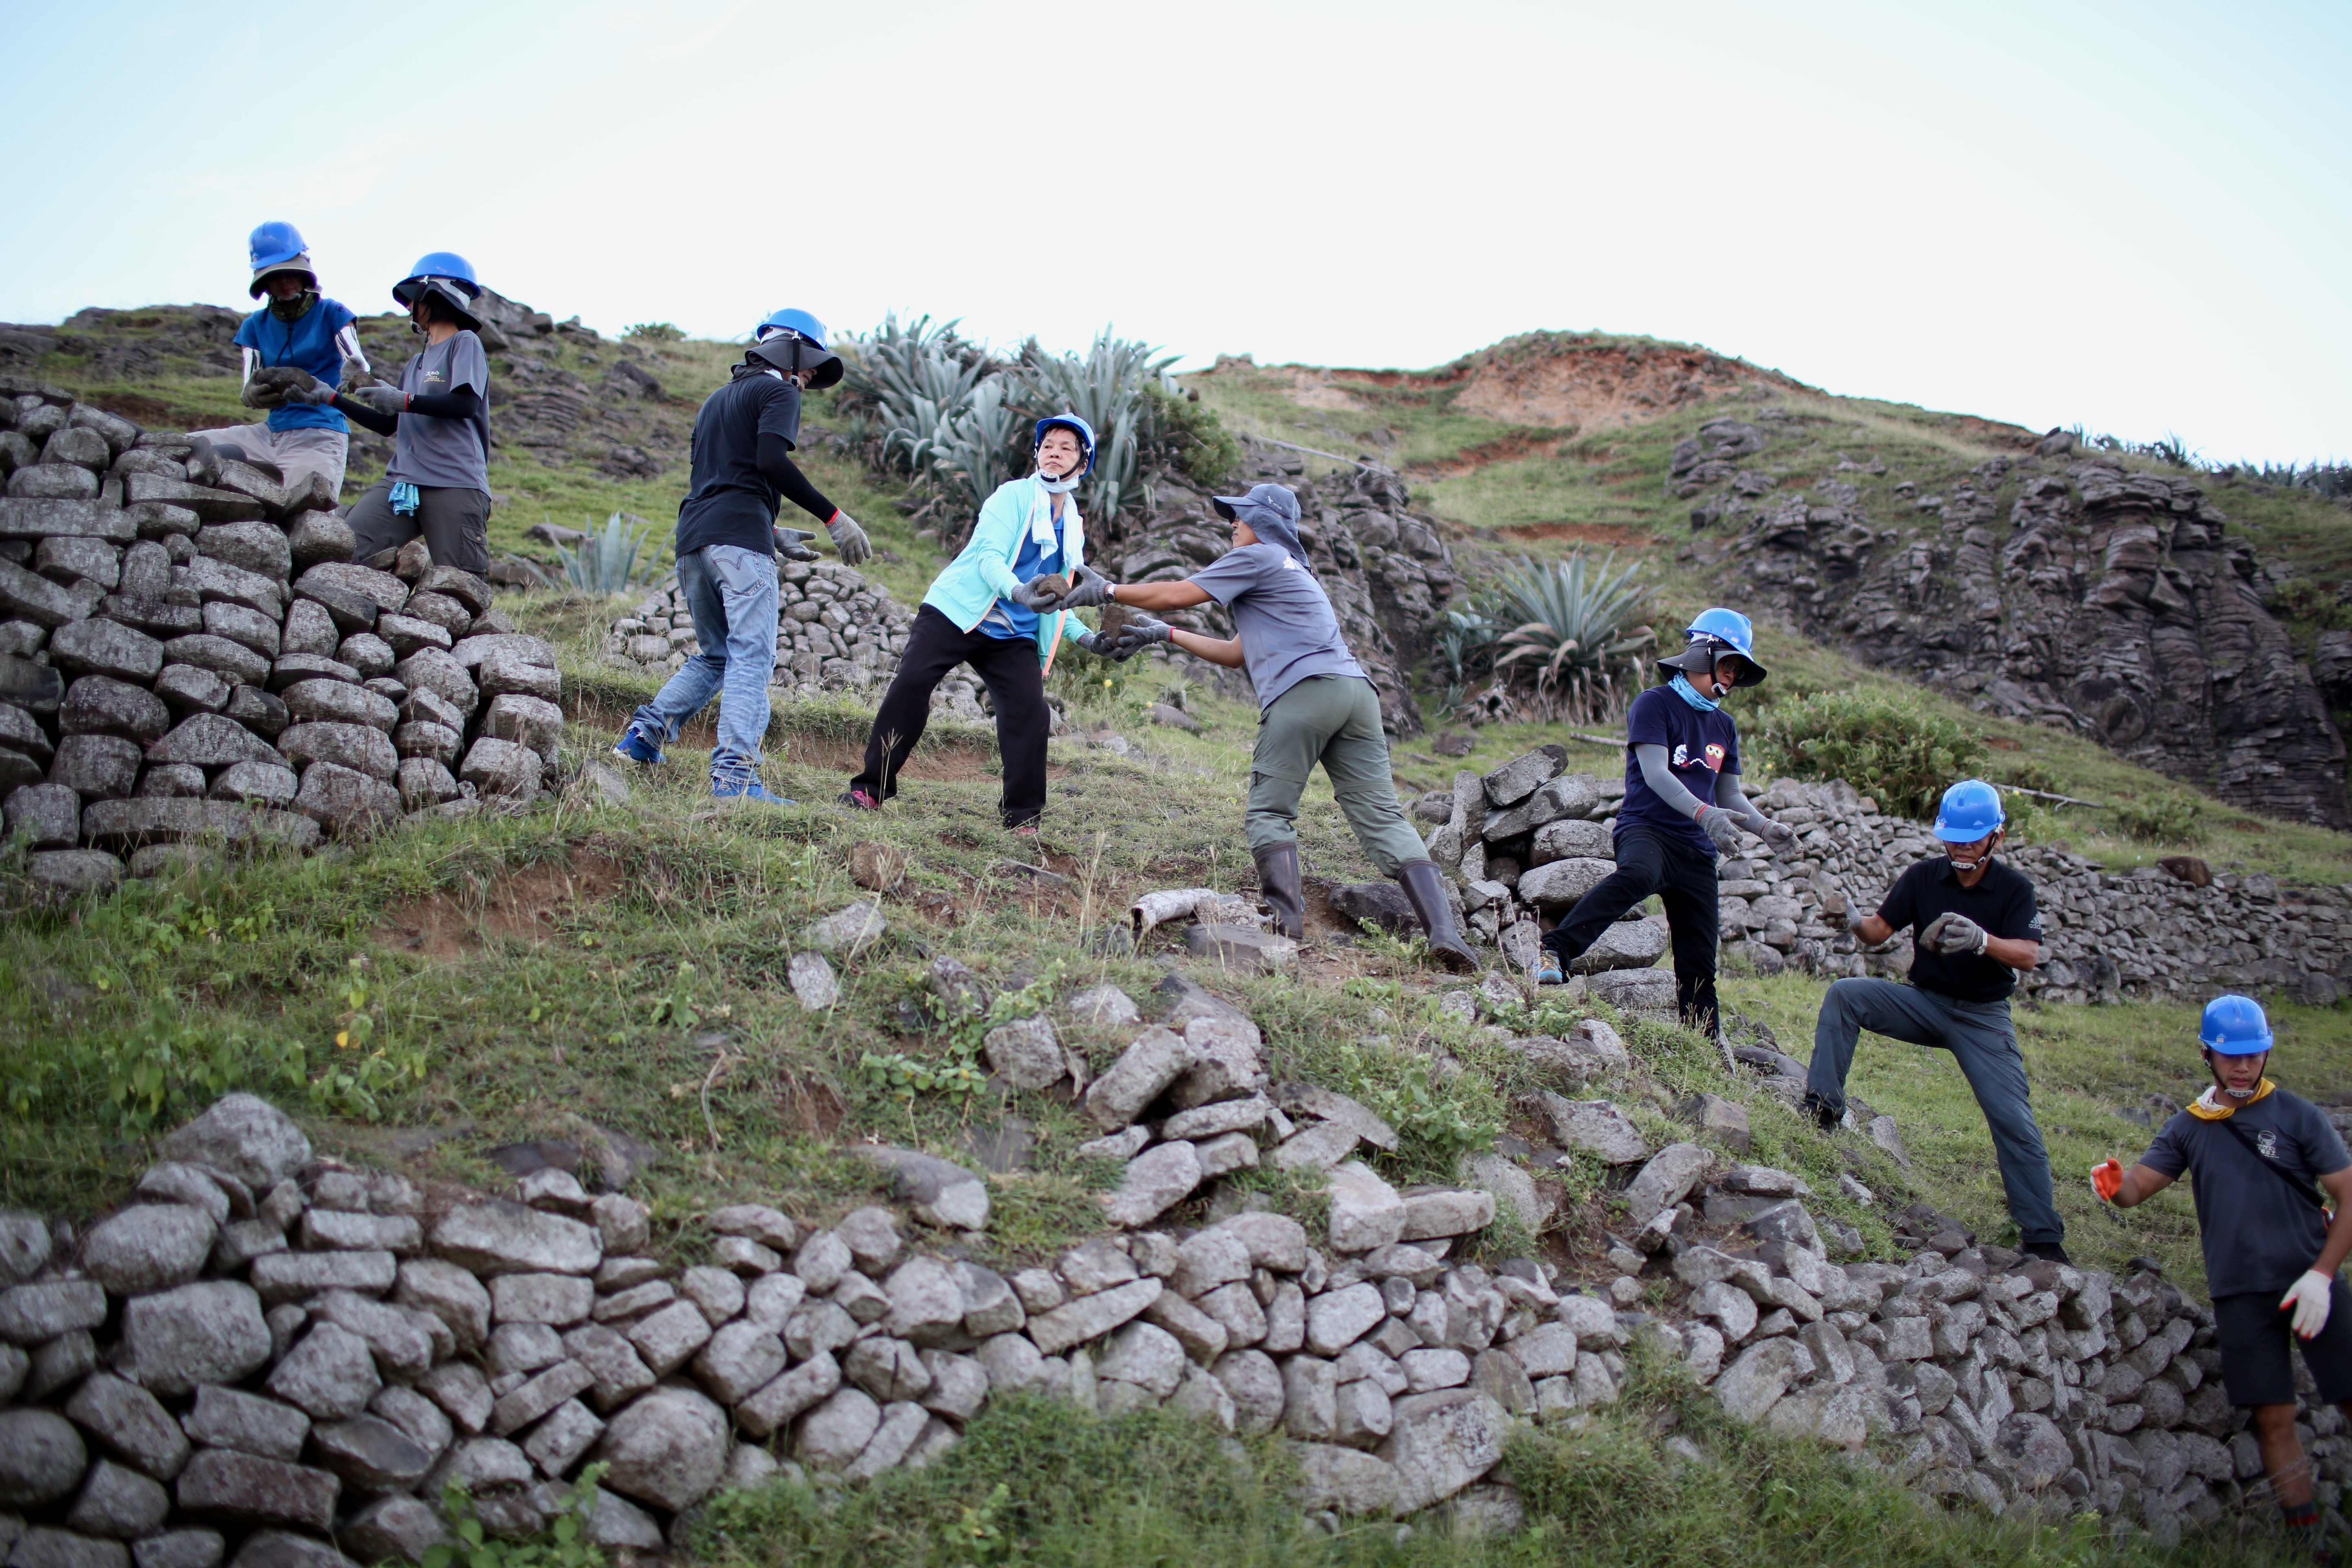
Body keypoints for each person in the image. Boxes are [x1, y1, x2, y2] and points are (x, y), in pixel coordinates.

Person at [1059, 481, 1479, 971]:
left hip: (1305, 693)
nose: (1233, 523)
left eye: (1242, 515)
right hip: (1356, 695)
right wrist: (1165, 634)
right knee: (1385, 819)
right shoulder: (1296, 573)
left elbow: (1179, 592)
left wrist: (1106, 590)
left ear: (1267, 521)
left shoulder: (1260, 555)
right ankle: (1445, 933)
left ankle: (1285, 924)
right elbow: (1236, 653)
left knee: (1270, 811)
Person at [2095, 996, 2352, 1560]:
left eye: (2254, 1055)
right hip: (2240, 1292)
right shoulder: (2189, 1126)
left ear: (2267, 1054)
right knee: (2272, 1417)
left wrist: (2322, 1275)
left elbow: (2349, 1195)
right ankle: (2309, 1544)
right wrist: (2114, 1185)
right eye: (2231, 1056)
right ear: (2207, 1054)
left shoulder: (2299, 1116)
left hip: (2312, 1282)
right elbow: (2138, 1190)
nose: (2243, 1066)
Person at [1802, 777, 2069, 1262]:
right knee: (1845, 995)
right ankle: (1821, 1111)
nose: (1962, 847)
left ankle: (2043, 1238)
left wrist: (1982, 941)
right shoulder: (1924, 877)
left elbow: (2029, 956)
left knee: (2014, 1120)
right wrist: (1852, 918)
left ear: (1997, 836)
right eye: (1954, 838)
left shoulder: (2015, 889)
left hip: (1983, 1019)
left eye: (1973, 838)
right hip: (1925, 1003)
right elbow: (1878, 932)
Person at [610, 310, 871, 803]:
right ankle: (735, 777)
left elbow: (719, 478)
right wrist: (833, 517)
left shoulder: (715, 401)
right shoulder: (779, 392)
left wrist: (769, 529)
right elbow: (770, 461)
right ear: (791, 350)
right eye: (809, 364)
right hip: (739, 545)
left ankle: (644, 738)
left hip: (694, 541)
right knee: (752, 657)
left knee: (717, 655)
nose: (808, 376)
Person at [843, 413, 1109, 834]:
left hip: (1014, 635)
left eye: (1067, 448)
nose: (1054, 454)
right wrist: (1018, 591)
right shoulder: (1012, 497)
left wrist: (1089, 639)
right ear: (1037, 454)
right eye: (1048, 446)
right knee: (912, 683)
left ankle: (1022, 819)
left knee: (1031, 713)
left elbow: (1060, 598)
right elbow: (988, 558)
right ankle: (870, 790)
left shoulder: (1072, 525)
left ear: (1083, 463)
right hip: (957, 611)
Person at [1535, 609, 1798, 1033]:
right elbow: (1657, 774)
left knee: (1700, 958)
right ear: (1703, 654)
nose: (1731, 676)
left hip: (1698, 850)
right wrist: (1704, 813)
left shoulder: (1725, 726)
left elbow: (1729, 794)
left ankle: (1704, 1041)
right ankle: (1554, 950)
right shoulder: (1654, 704)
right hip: (1648, 829)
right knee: (1638, 875)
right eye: (1728, 664)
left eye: (1738, 670)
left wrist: (1766, 828)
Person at [305, 252, 495, 576]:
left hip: (455, 483)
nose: (408, 306)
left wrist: (402, 400)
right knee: (343, 548)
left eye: (413, 298)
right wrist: (332, 398)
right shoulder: (415, 364)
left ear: (435, 293)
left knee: (460, 584)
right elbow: (388, 424)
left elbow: (465, 405)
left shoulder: (465, 343)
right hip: (403, 482)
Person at [185, 222, 371, 497]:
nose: (284, 282)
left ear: (304, 272)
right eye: (275, 276)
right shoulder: (254, 326)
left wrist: (355, 373)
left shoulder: (333, 313)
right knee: (181, 446)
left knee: (307, 508)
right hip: (268, 435)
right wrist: (253, 394)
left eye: (291, 273)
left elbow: (356, 360)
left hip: (320, 435)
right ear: (264, 282)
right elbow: (249, 386)